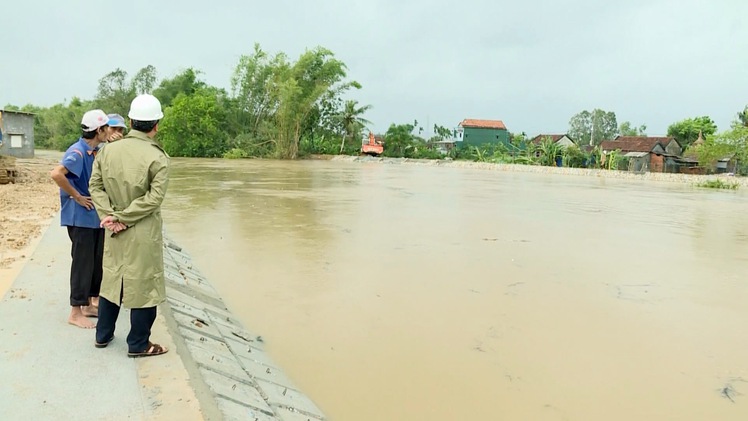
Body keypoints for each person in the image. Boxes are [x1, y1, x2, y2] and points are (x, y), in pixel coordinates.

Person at [89, 94, 170, 357]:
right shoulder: (158, 157)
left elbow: (95, 186)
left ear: (132, 121)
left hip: (113, 229)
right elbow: (154, 199)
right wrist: (123, 217)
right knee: (144, 285)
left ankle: (103, 334)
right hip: (141, 229)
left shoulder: (107, 151)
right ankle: (138, 344)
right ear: (156, 125)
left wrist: (109, 216)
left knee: (113, 278)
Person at [50, 109, 112, 329]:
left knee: (95, 261)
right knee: (82, 263)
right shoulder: (77, 152)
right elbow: (57, 174)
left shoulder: (93, 150)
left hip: (93, 218)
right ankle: (75, 311)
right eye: (107, 128)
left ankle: (88, 303)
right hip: (80, 218)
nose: (110, 132)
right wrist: (76, 196)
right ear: (99, 130)